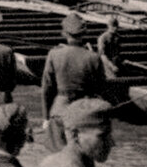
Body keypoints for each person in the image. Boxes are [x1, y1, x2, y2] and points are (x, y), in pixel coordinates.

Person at [41, 13, 108, 150]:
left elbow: (47, 88)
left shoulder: (54, 54)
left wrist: (46, 117)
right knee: (82, 156)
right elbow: (102, 89)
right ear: (84, 33)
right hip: (83, 114)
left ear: (64, 33)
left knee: (58, 155)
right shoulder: (93, 57)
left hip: (59, 112)